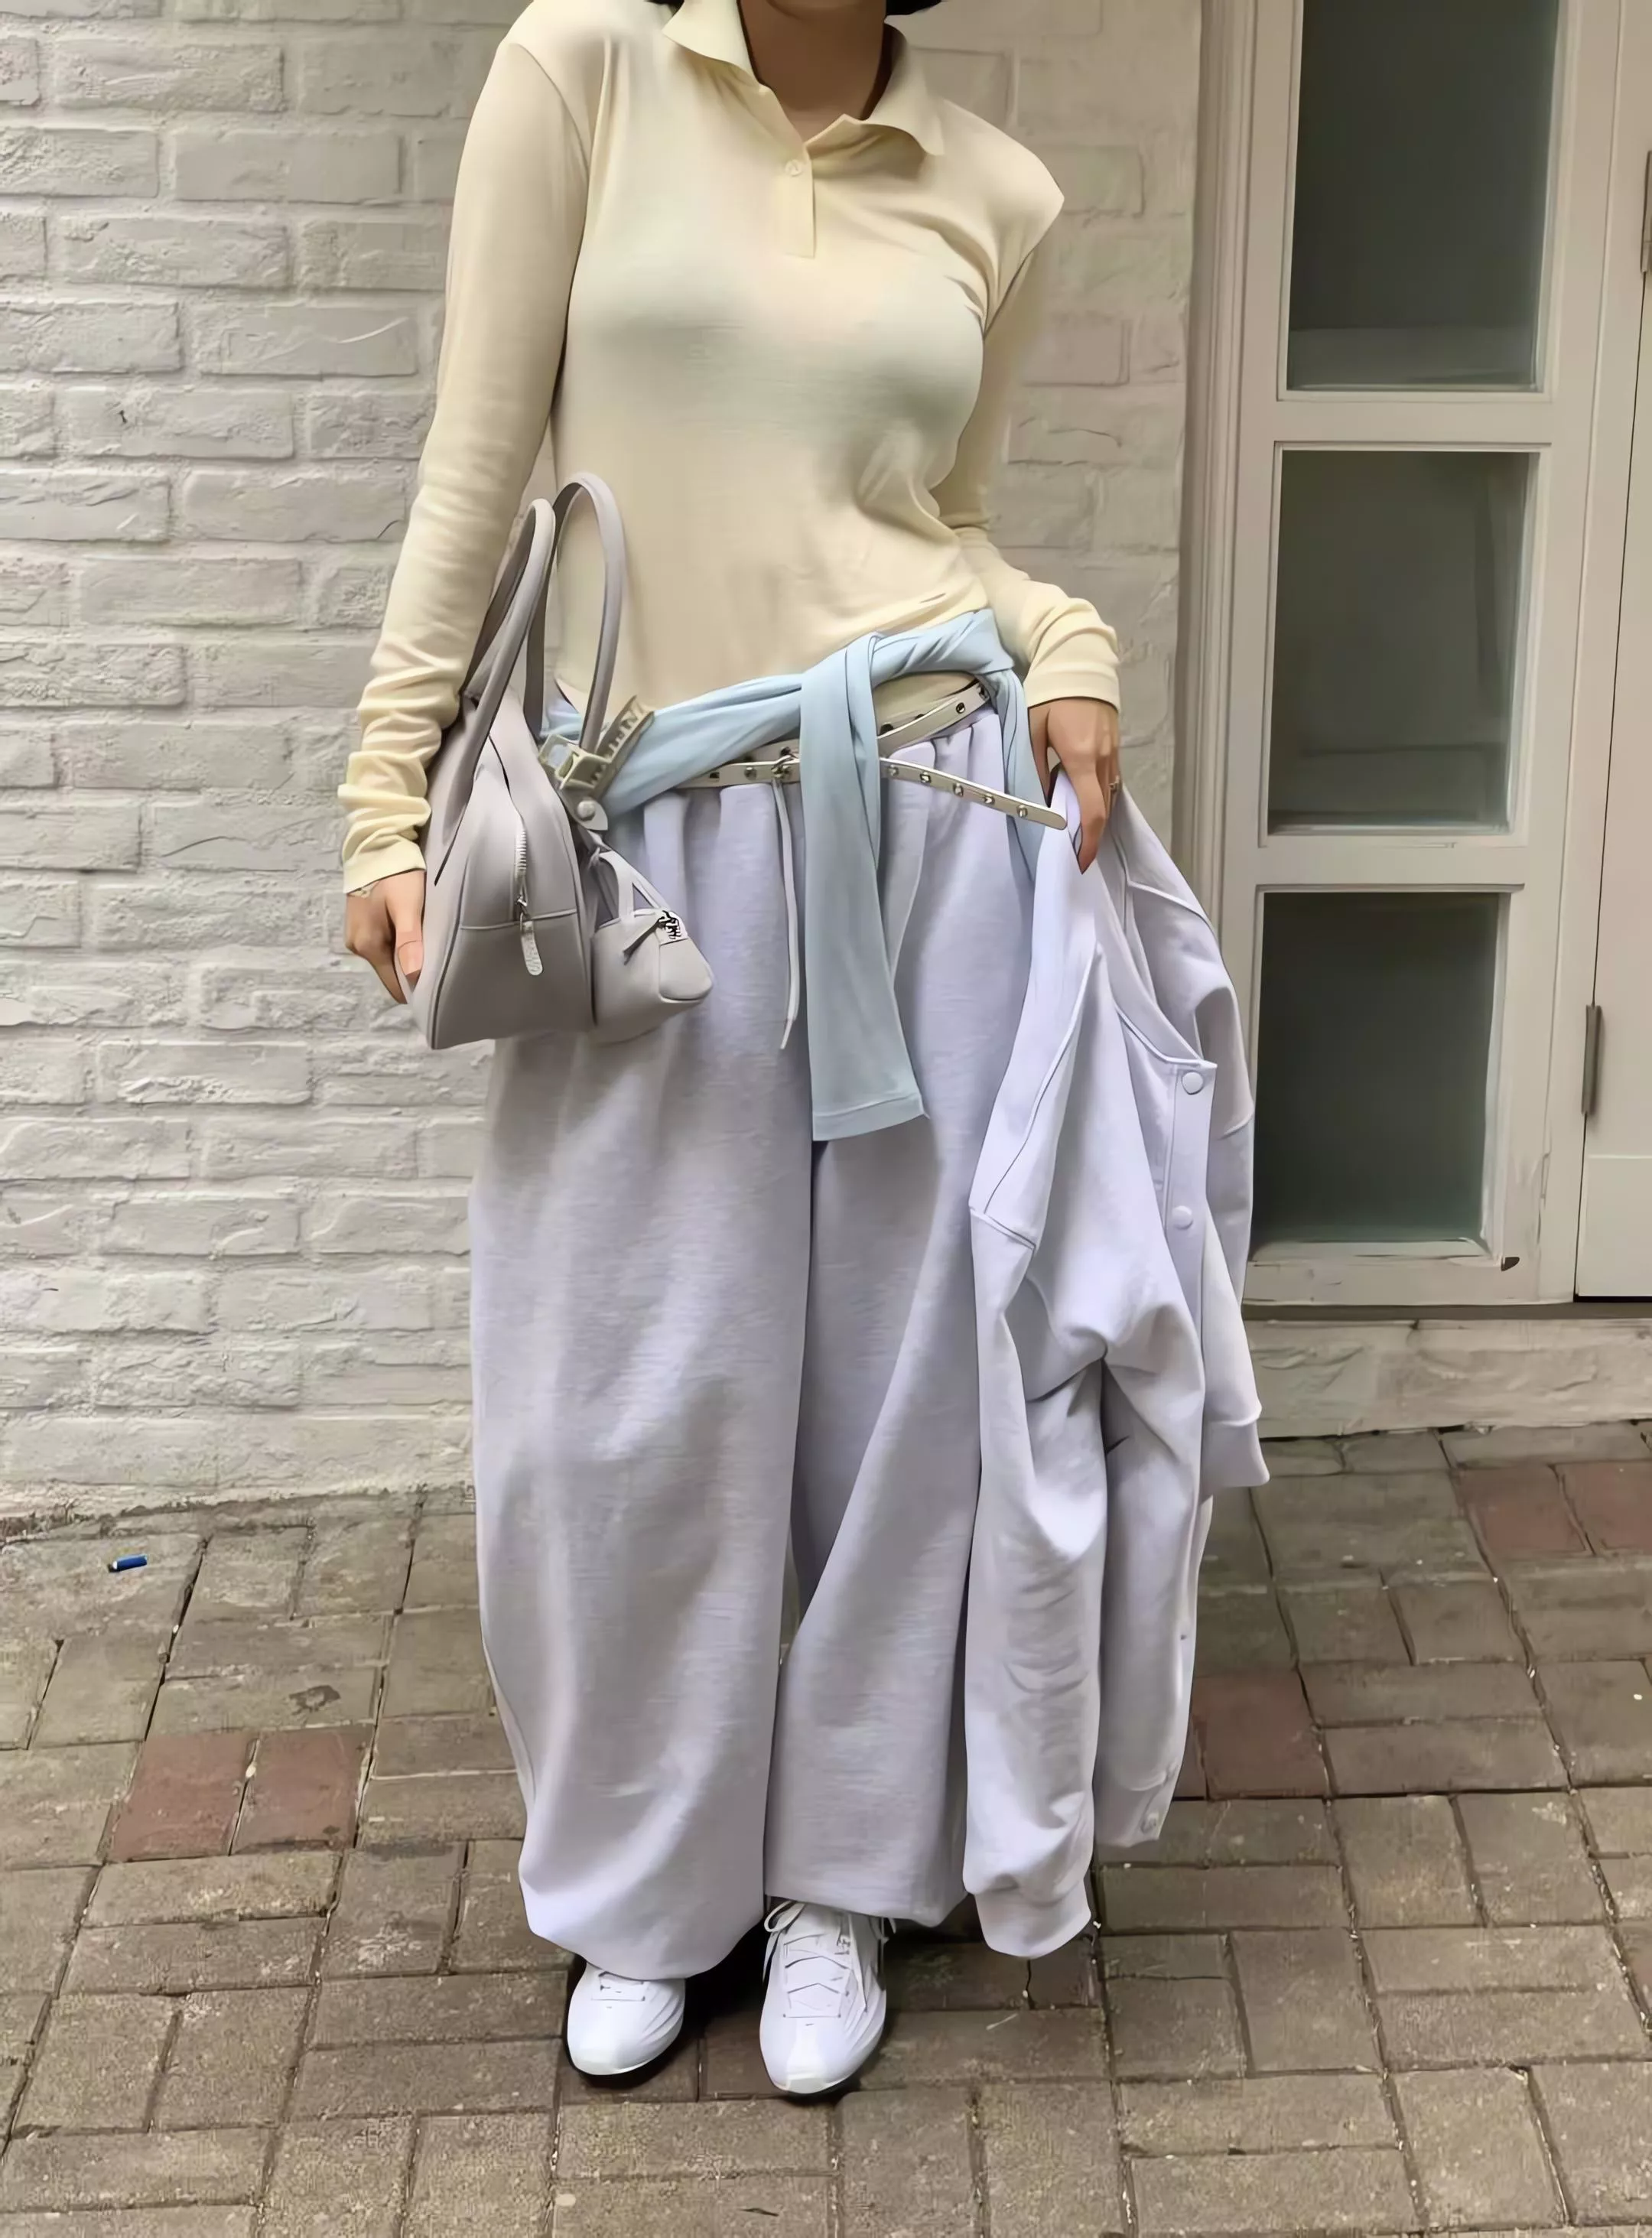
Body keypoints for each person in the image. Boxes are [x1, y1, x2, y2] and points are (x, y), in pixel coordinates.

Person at [339, 0, 1124, 2096]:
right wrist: (384, 800)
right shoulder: (586, 69)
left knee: (900, 1395)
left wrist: (1067, 645)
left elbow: (942, 521)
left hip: (931, 808)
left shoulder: (998, 194)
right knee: (621, 1395)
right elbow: (477, 463)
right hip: (652, 840)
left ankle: (844, 1878)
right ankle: (641, 1880)